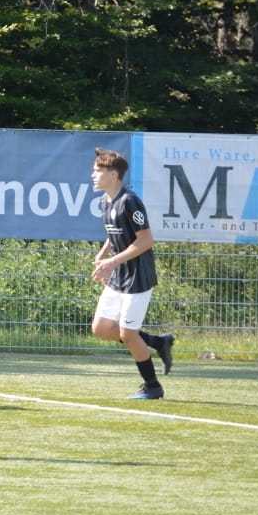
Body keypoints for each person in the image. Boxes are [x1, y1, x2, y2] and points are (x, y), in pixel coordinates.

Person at [90, 147, 175, 399]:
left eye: (98, 171)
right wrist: (102, 256)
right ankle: (158, 342)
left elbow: (146, 240)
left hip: (137, 276)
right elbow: (114, 233)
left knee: (128, 335)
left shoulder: (130, 201)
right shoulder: (105, 201)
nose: (93, 175)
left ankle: (153, 386)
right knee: (101, 328)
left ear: (113, 174)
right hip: (119, 275)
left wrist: (112, 262)